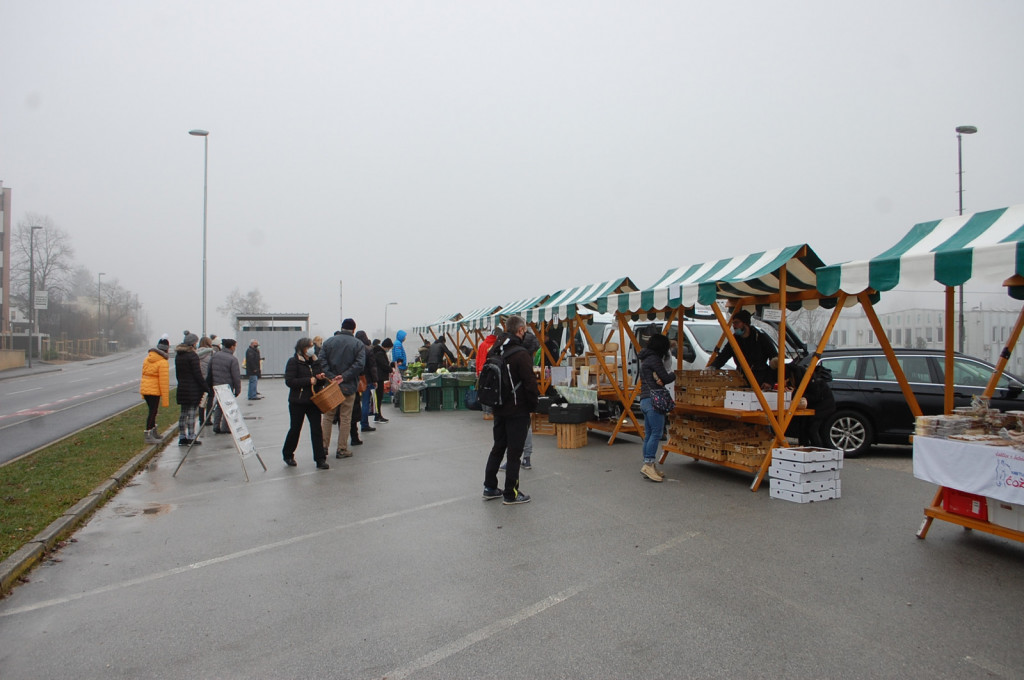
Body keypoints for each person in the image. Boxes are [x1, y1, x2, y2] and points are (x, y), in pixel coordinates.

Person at [482, 315, 539, 505]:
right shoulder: (521, 354)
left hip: (499, 407)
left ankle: (490, 487)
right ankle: (510, 493)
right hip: (517, 410)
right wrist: (533, 405)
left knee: (498, 448)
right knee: (515, 453)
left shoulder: (496, 349)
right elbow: (530, 383)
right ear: (521, 330)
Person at [319, 318, 366, 458]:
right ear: (353, 329)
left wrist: (331, 376)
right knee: (345, 418)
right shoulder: (358, 344)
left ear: (342, 328)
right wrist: (344, 377)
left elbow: (321, 360)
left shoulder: (328, 342)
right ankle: (342, 449)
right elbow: (359, 365)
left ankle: (323, 447)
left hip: (331, 386)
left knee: (328, 417)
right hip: (348, 386)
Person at [283, 337, 329, 470]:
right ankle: (288, 454)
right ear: (302, 348)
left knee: (316, 429)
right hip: (298, 401)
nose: (311, 349)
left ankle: (320, 459)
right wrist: (308, 381)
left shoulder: (315, 361)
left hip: (313, 401)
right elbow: (290, 381)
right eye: (308, 347)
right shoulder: (293, 362)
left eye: (312, 346)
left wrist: (320, 378)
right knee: (295, 428)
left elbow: (318, 380)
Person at [638, 333, 676, 482]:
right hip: (654, 400)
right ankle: (648, 464)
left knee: (649, 433)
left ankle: (648, 464)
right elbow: (666, 378)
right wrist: (674, 374)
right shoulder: (654, 360)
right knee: (656, 433)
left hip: (645, 400)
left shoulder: (646, 358)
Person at [711, 309, 777, 386]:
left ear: (745, 323)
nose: (734, 326)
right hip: (741, 379)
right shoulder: (734, 339)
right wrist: (713, 367)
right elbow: (724, 356)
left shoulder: (760, 337)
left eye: (736, 323)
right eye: (733, 323)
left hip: (760, 381)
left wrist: (769, 381)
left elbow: (775, 361)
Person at [175, 332, 211, 447]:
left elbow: (178, 374)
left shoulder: (179, 356)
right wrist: (206, 387)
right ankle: (191, 436)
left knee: (183, 413)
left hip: (182, 387)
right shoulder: (192, 356)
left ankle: (182, 437)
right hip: (192, 388)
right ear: (193, 344)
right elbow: (198, 374)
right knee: (191, 413)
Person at [140, 335, 171, 444]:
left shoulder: (147, 358)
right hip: (154, 390)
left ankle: (153, 432)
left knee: (152, 410)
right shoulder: (163, 362)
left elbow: (143, 374)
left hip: (145, 388)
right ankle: (148, 433)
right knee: (153, 412)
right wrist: (165, 399)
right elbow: (163, 381)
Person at [207, 338, 242, 434]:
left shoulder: (215, 356)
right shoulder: (232, 359)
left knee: (219, 405)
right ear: (231, 347)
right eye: (235, 346)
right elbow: (236, 376)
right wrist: (238, 389)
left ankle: (216, 425)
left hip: (217, 385)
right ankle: (225, 427)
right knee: (228, 407)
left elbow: (209, 371)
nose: (235, 348)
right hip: (227, 387)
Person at [355, 330, 377, 436]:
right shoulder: (368, 350)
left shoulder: (353, 348)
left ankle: (353, 425)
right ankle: (364, 424)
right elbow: (372, 367)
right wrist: (375, 380)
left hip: (354, 379)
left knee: (354, 404)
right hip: (366, 380)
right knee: (365, 402)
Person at [372, 339, 392, 423]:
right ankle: (378, 415)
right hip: (379, 377)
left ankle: (378, 414)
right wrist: (391, 369)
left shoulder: (377, 351)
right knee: (378, 397)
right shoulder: (380, 353)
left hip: (378, 377)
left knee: (378, 397)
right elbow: (384, 365)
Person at [196, 336, 215, 426]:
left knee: (201, 400)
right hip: (209, 379)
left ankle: (201, 419)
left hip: (200, 380)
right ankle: (208, 418)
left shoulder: (196, 353)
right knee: (210, 399)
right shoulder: (211, 353)